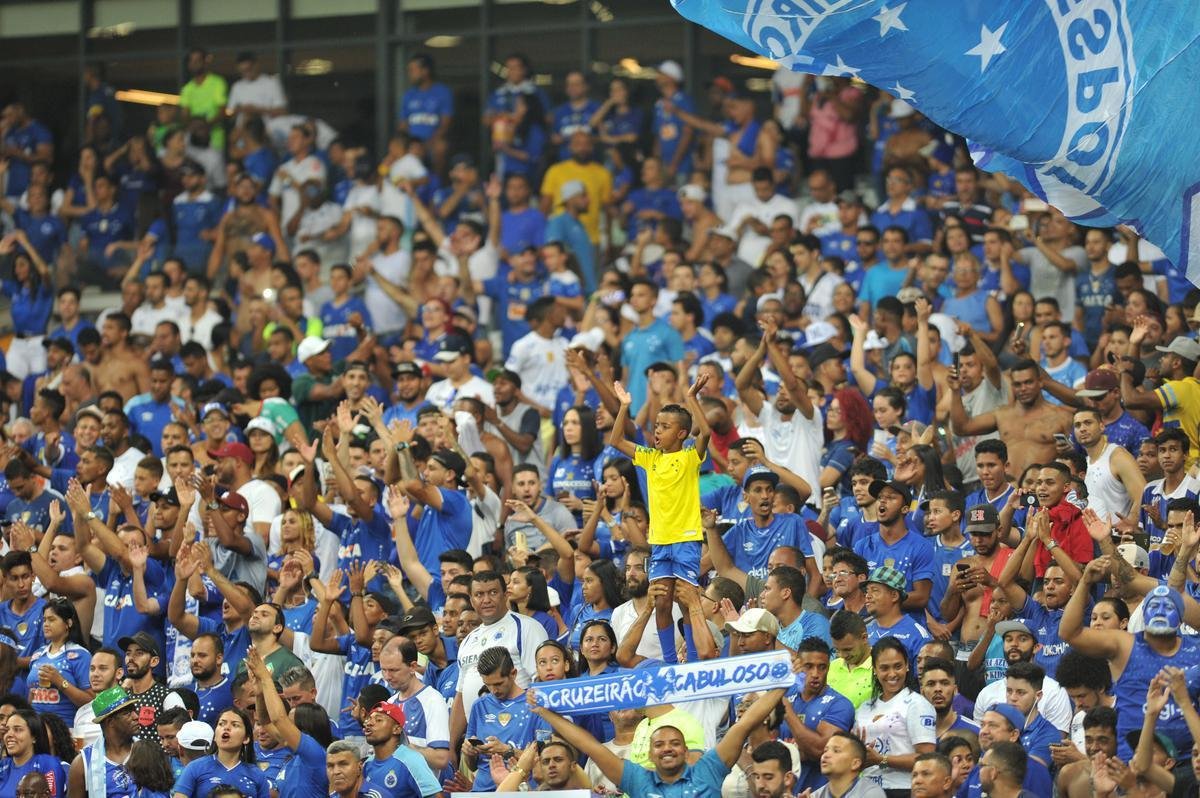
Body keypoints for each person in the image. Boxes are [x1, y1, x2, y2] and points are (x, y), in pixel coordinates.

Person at [609, 373, 710, 663]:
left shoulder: (691, 456)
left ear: (681, 433)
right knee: (661, 600)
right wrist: (623, 406)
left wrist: (691, 398)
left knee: (686, 599)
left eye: (665, 427)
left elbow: (705, 434)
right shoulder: (650, 457)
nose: (658, 431)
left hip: (687, 540)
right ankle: (668, 660)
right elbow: (616, 439)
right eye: (657, 426)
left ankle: (690, 657)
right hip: (660, 542)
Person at [533, 684, 786, 797]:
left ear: (686, 751)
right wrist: (544, 712)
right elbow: (591, 746)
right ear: (650, 754)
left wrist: (781, 686)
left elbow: (743, 725)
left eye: (675, 743)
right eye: (659, 745)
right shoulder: (637, 779)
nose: (667, 748)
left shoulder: (707, 770)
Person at [855, 636, 937, 791]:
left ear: (907, 665)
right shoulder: (864, 709)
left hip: (902, 789)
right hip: (866, 790)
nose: (892, 674)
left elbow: (927, 759)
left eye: (898, 666)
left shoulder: (917, 704)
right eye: (884, 668)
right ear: (874, 670)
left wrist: (881, 760)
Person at [785, 637, 856, 792]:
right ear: (797, 665)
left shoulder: (839, 704)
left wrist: (787, 711)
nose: (815, 674)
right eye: (808, 666)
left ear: (829, 667)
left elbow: (820, 750)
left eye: (822, 667)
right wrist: (800, 751)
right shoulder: (785, 694)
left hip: (819, 791)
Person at [172, 706, 268, 798]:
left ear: (246, 738)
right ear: (214, 736)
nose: (226, 728)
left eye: (235, 725)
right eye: (221, 724)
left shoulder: (257, 775)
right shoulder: (195, 768)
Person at [67, 686, 139, 798]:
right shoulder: (82, 764)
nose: (136, 716)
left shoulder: (148, 752)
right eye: (127, 713)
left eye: (134, 711)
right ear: (110, 722)